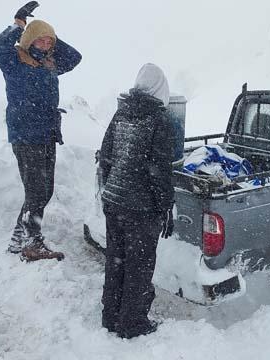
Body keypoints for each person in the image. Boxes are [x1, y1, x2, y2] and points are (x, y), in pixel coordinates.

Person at [0, 1, 82, 262]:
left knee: (45, 189)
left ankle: (19, 239)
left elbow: (74, 57)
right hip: (26, 134)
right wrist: (20, 25)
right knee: (36, 192)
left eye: (48, 42)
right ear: (28, 41)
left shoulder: (49, 65)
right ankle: (32, 243)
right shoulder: (14, 62)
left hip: (47, 133)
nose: (45, 45)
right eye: (39, 41)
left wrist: (48, 33)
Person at [98, 64, 175, 339]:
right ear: (159, 89)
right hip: (140, 208)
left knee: (116, 260)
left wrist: (109, 188)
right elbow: (159, 170)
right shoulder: (158, 120)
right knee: (139, 266)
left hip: (114, 202)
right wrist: (166, 206)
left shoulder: (122, 112)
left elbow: (105, 156)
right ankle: (132, 323)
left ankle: (111, 315)